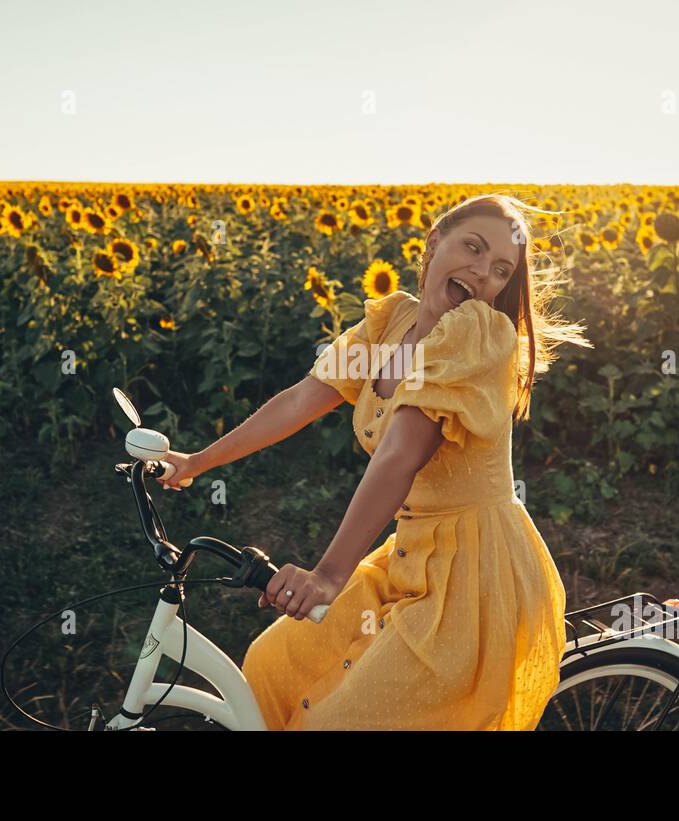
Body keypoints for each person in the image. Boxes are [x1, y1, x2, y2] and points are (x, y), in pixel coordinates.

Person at [156, 193, 591, 729]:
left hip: (473, 579)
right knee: (271, 666)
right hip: (409, 556)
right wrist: (197, 461)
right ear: (434, 243)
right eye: (472, 249)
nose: (482, 274)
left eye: (500, 270)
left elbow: (399, 456)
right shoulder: (392, 323)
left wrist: (328, 576)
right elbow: (300, 399)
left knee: (341, 720)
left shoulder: (475, 338)